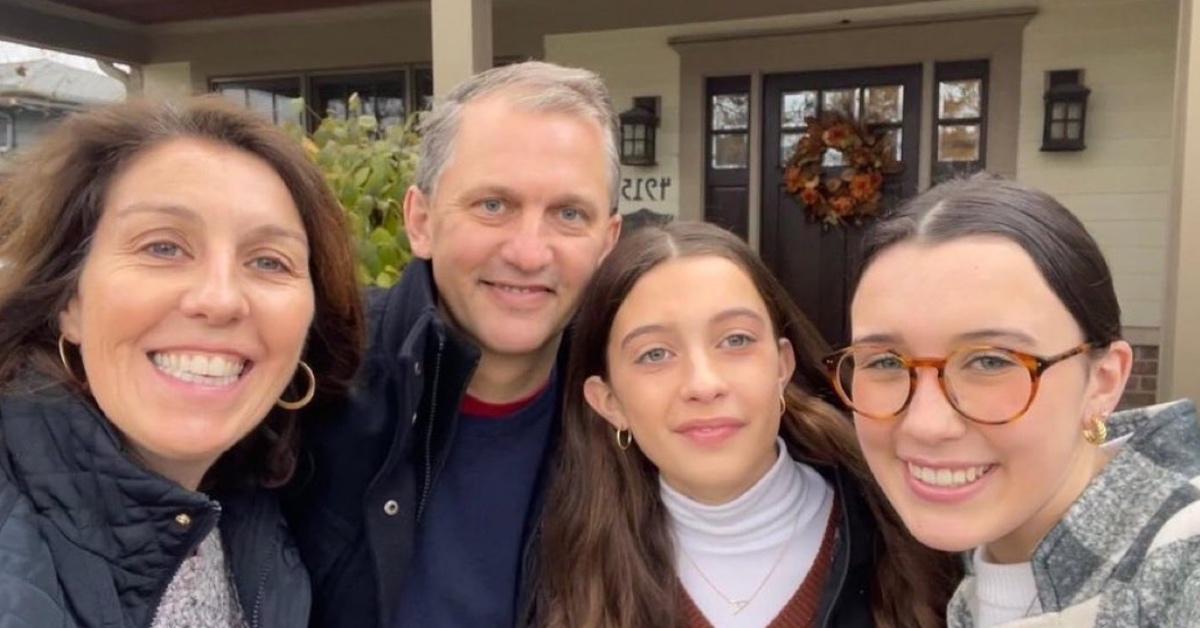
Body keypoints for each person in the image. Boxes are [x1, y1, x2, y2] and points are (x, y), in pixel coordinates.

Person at [0, 97, 364, 627]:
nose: (219, 300)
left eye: (268, 261)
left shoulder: (261, 506)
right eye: (163, 248)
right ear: (68, 302)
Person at [284, 60, 622, 628]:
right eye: (494, 205)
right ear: (421, 221)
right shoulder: (310, 375)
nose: (529, 252)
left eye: (569, 214)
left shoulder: (631, 412)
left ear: (607, 242)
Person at [538, 221, 958, 628]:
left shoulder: (913, 541)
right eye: (655, 354)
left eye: (735, 340)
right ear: (609, 402)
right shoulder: (563, 576)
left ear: (783, 366)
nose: (703, 385)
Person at [832, 176, 1200, 627]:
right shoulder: (955, 562)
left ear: (1103, 381)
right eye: (885, 361)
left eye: (990, 362)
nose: (926, 424)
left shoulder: (1182, 565)